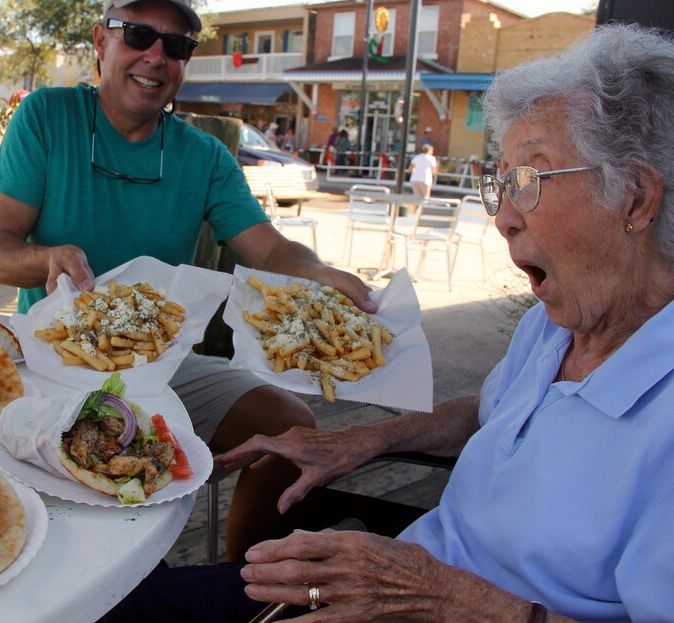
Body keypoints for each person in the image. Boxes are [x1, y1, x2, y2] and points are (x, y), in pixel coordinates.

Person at [109, 24, 674, 622]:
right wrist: (362, 439)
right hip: (391, 579)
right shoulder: (555, 325)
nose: (503, 217)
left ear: (635, 198)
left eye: (531, 178)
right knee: (123, 604)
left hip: (425, 596)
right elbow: (485, 411)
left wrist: (445, 597)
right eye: (501, 182)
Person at [0, 0, 374, 562]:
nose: (155, 57)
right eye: (138, 34)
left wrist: (318, 273)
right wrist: (47, 259)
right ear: (100, 40)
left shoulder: (205, 157)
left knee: (290, 428)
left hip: (158, 362)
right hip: (53, 361)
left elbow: (268, 247)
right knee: (102, 523)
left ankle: (243, 578)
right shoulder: (47, 116)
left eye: (177, 45)